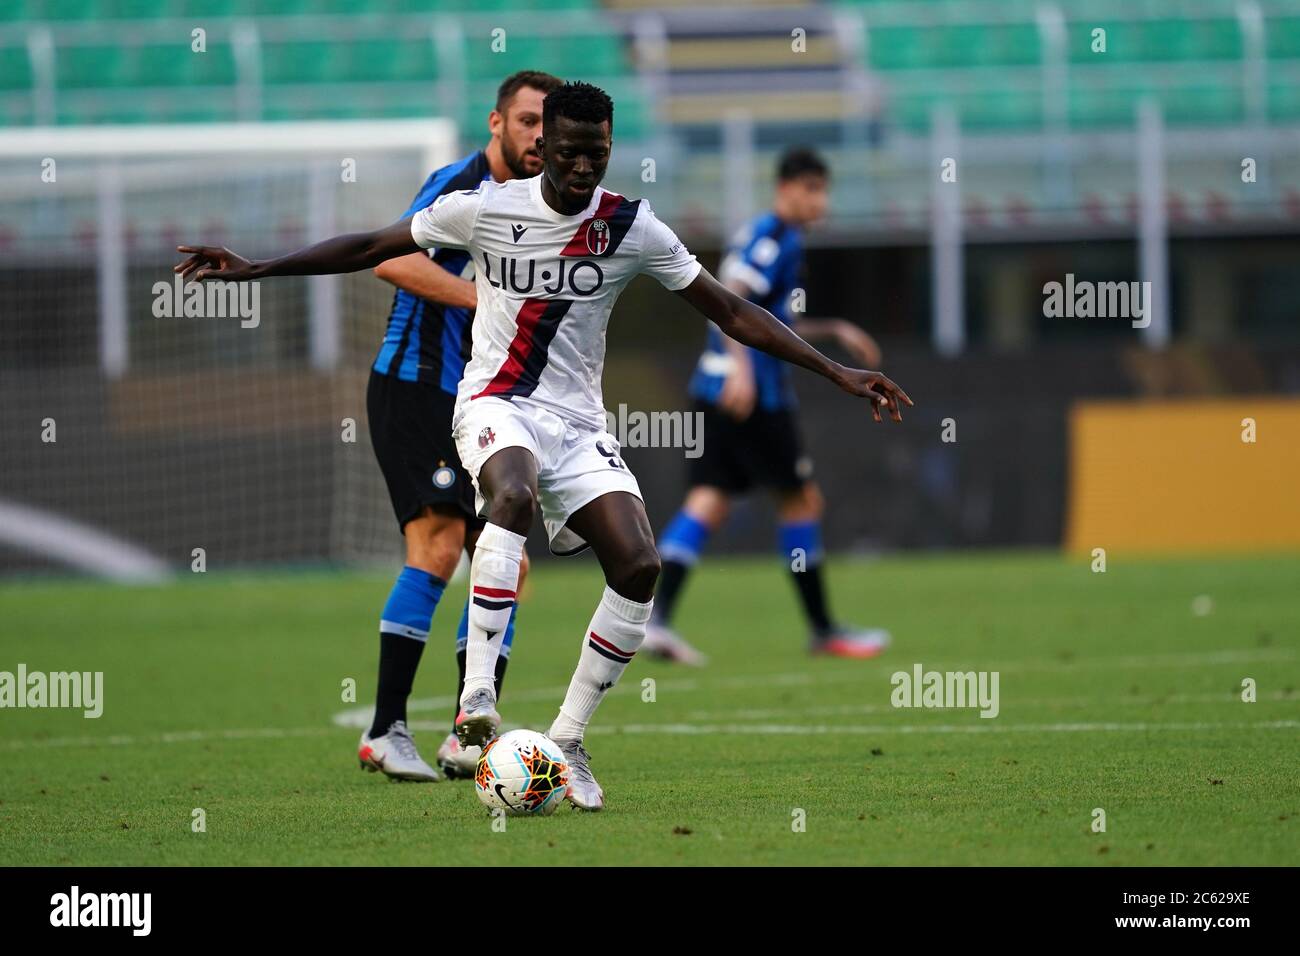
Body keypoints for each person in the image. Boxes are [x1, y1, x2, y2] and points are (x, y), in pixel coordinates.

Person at [174, 81, 912, 812]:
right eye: (569, 152)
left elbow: (732, 310)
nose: (584, 167)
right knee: (512, 496)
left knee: (639, 563)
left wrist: (838, 371)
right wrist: (259, 267)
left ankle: (570, 739)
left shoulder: (632, 226)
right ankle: (477, 698)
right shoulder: (488, 208)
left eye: (598, 153)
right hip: (494, 404)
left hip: (579, 424)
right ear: (543, 148)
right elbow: (375, 244)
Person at [362, 70, 562, 781]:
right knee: (441, 545)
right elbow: (388, 255)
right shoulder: (460, 183)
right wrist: (477, 296)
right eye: (529, 121)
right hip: (415, 389)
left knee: (510, 556)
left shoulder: (545, 205)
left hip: (478, 404)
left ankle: (465, 735)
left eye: (550, 125)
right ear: (497, 122)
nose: (541, 136)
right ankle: (386, 729)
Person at [645, 147, 891, 666]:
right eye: (814, 190)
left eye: (824, 190)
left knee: (709, 502)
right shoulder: (774, 237)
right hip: (753, 394)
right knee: (801, 502)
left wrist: (836, 330)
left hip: (712, 389)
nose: (821, 201)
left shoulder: (772, 236)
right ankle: (824, 629)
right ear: (787, 189)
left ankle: (655, 620)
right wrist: (740, 366)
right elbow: (730, 299)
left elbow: (769, 321)